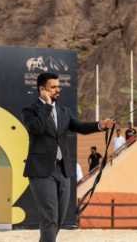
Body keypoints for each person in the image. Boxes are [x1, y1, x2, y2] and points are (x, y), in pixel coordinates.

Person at [22, 72, 114, 242]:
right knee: (50, 216)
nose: (58, 90)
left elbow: (80, 126)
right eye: (53, 87)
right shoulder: (30, 111)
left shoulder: (64, 111)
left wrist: (100, 125)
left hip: (63, 170)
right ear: (42, 89)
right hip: (41, 171)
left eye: (59, 86)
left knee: (59, 218)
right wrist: (47, 106)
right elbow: (37, 128)